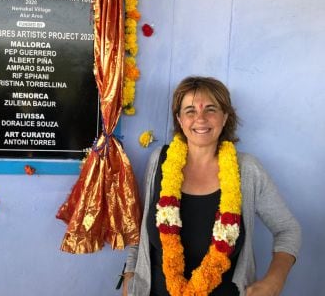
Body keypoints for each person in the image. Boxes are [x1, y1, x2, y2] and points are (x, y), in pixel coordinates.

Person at [122, 76, 301, 296]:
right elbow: (141, 225)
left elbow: (288, 230)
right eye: (190, 110)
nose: (200, 118)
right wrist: (130, 273)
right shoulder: (159, 160)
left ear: (225, 117)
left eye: (210, 109)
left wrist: (275, 280)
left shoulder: (247, 170)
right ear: (179, 119)